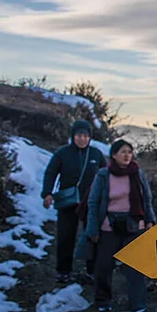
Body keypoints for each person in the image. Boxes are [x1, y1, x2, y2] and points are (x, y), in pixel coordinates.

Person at [77, 139, 157, 312]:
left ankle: (138, 305)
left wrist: (150, 220)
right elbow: (93, 202)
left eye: (129, 151)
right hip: (108, 226)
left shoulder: (137, 174)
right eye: (122, 151)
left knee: (135, 266)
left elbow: (147, 200)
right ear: (113, 155)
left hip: (134, 225)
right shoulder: (104, 175)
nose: (127, 155)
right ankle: (103, 301)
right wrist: (92, 229)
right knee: (104, 266)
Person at [41, 119, 106, 283]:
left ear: (90, 137)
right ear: (73, 136)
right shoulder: (62, 153)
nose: (82, 139)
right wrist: (47, 193)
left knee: (92, 236)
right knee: (65, 237)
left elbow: (106, 175)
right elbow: (50, 173)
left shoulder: (96, 154)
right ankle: (63, 271)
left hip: (91, 203)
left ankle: (92, 271)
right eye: (79, 135)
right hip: (68, 202)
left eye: (85, 135)